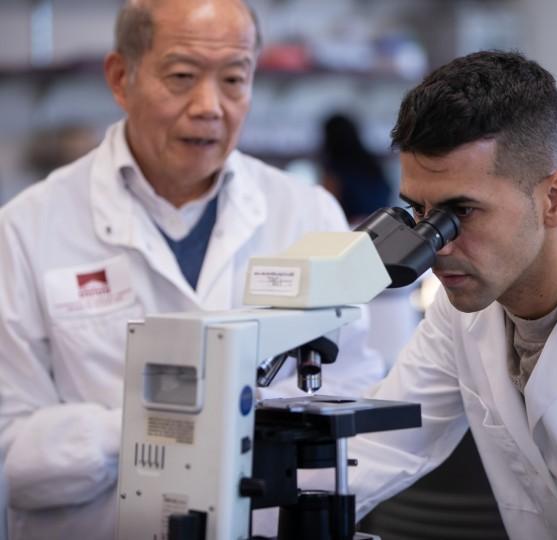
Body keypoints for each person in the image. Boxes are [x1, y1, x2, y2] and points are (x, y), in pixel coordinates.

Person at [0, 1, 385, 539]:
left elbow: (352, 398)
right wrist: (166, 425)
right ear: (120, 77)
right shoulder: (26, 229)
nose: (209, 106)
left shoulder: (307, 215)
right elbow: (12, 456)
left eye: (233, 79)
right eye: (181, 77)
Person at [309, 51, 557, 539]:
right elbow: (378, 450)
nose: (435, 245)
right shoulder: (463, 311)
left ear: (554, 199)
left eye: (461, 211)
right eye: (418, 212)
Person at [319, 112, 392, 225]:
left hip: (350, 228)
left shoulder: (334, 168)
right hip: (381, 225)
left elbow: (326, 205)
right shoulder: (372, 163)